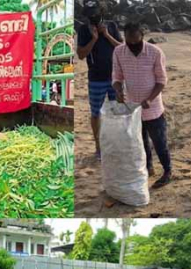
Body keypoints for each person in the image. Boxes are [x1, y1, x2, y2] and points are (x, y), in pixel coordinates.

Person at [113, 22, 172, 187]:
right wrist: (118, 91)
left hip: (152, 109)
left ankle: (167, 171)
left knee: (159, 142)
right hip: (133, 108)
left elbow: (161, 80)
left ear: (142, 37)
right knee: (140, 141)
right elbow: (116, 77)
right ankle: (148, 167)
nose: (132, 46)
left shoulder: (155, 52)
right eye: (129, 42)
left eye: (136, 42)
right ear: (124, 38)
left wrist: (150, 99)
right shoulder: (119, 52)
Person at [77, 0, 123, 159]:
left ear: (102, 11)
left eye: (96, 13)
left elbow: (122, 49)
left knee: (117, 112)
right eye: (90, 14)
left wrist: (107, 35)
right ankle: (98, 147)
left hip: (114, 77)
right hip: (95, 79)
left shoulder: (111, 26)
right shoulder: (83, 29)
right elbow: (81, 55)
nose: (93, 17)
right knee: (96, 114)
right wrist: (94, 39)